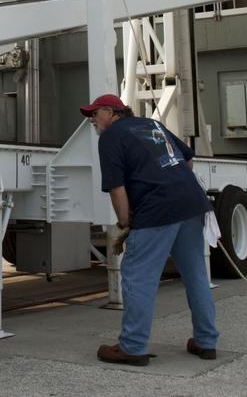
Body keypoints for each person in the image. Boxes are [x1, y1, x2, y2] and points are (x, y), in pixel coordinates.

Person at [84, 93, 219, 365]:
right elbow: (188, 160)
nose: (92, 122)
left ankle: (132, 347)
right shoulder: (152, 124)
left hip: (157, 210)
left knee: (137, 276)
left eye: (94, 115)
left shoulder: (110, 137)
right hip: (192, 204)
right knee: (195, 274)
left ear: (110, 112)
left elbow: (117, 187)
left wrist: (125, 222)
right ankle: (206, 342)